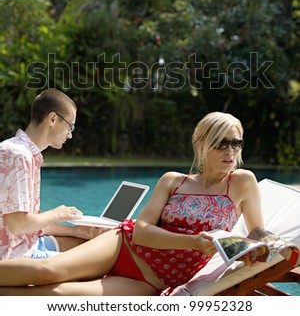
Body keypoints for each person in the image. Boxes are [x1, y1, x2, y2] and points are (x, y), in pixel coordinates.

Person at [0, 111, 264, 295]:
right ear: (202, 144)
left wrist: (266, 246)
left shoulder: (242, 182)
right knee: (48, 272)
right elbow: (141, 230)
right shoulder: (174, 181)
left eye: (236, 143)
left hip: (153, 281)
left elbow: (257, 233)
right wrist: (192, 242)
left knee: (49, 296)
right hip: (124, 245)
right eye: (222, 144)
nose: (230, 151)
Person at [0, 88, 101, 261]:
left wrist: (79, 231)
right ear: (52, 118)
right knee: (100, 255)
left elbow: (31, 223)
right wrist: (57, 213)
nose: (70, 135)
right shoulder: (17, 155)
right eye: (71, 126)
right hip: (14, 257)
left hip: (28, 244)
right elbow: (18, 224)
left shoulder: (26, 154)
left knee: (91, 241)